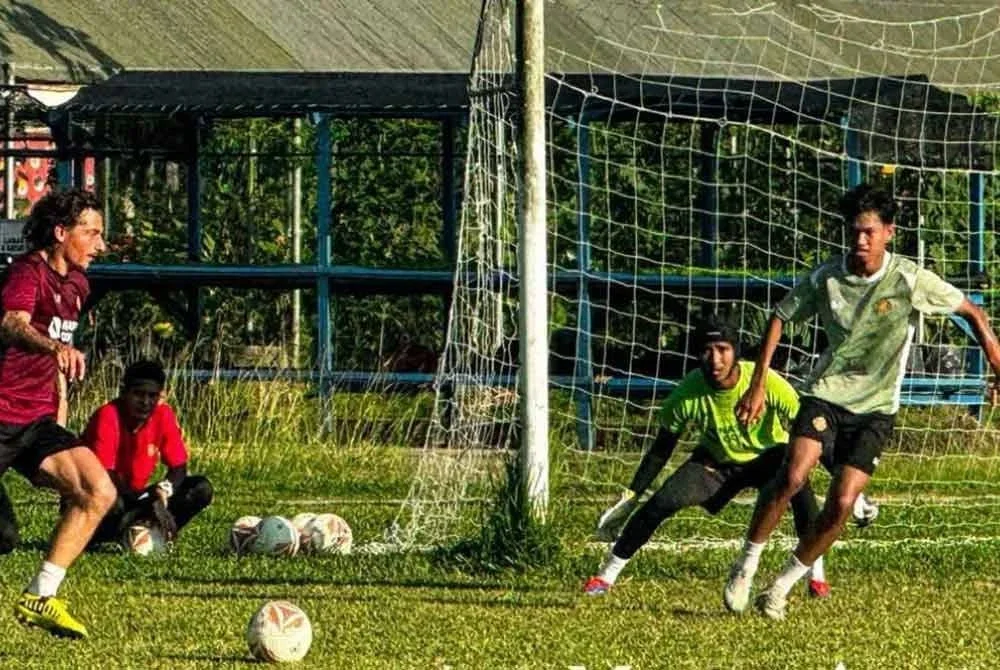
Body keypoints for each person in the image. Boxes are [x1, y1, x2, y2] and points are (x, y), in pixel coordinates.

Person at [724, 183, 1000, 620]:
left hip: (876, 410)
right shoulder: (826, 277)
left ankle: (781, 586)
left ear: (889, 232)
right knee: (794, 474)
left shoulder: (909, 279)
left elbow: (973, 313)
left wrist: (997, 366)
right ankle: (747, 562)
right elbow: (779, 317)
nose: (860, 240)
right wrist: (758, 383)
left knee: (843, 503)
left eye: (869, 231)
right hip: (825, 395)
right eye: (854, 231)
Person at [584, 319, 833, 598]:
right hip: (716, 463)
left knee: (799, 487)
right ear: (697, 354)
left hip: (769, 458)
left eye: (723, 349)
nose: (715, 359)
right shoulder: (686, 393)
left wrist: (845, 483)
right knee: (661, 502)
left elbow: (812, 431)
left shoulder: (767, 382)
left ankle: (816, 576)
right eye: (707, 350)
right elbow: (661, 450)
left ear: (736, 351)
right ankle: (606, 575)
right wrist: (632, 494)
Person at [0, 188, 117, 638]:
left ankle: (40, 595)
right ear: (60, 232)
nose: (100, 245)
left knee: (97, 491)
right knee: (4, 537)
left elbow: (58, 364)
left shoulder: (79, 285)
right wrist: (56, 347)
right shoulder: (27, 274)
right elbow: (13, 324)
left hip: (36, 420)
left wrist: (60, 412)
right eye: (92, 233)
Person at [81, 360, 213, 548]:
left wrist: (164, 491)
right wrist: (148, 500)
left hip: (136, 498)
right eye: (138, 394)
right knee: (113, 502)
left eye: (152, 396)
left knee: (201, 488)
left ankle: (151, 531)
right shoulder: (107, 416)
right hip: (100, 496)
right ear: (124, 392)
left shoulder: (163, 415)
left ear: (161, 397)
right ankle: (100, 537)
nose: (145, 402)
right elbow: (106, 477)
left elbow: (179, 467)